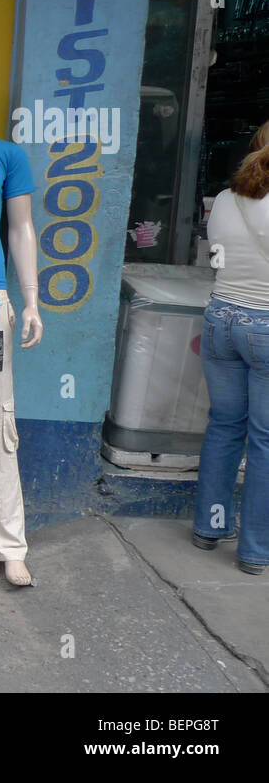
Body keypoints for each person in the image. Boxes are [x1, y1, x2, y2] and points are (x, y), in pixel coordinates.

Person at [194, 119, 269, 575]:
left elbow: (214, 258)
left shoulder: (224, 199)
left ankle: (209, 527)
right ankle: (255, 550)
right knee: (264, 439)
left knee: (224, 425)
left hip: (220, 319)